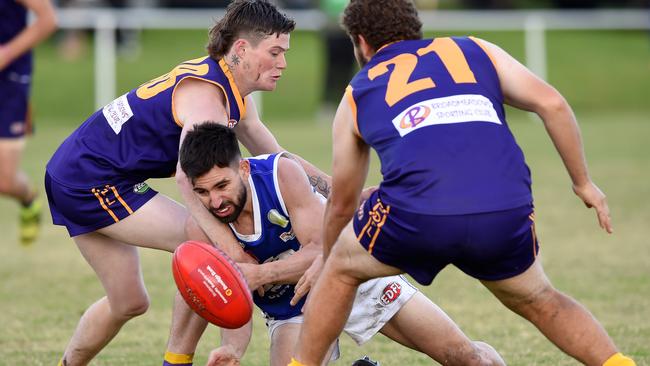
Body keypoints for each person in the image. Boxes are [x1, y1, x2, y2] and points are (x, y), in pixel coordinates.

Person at [289, 1, 637, 366]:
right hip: (503, 206)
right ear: (414, 28)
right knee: (539, 297)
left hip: (417, 214)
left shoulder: (357, 92)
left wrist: (327, 260)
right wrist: (583, 183)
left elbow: (343, 203)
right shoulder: (475, 49)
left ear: (361, 42)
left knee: (342, 270)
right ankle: (617, 363)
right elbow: (552, 104)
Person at [44, 1, 329, 365]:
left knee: (129, 301)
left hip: (76, 171)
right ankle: (176, 361)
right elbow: (186, 176)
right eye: (275, 52)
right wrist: (230, 247)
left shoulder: (229, 90)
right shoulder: (208, 97)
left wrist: (339, 193)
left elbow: (277, 159)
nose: (283, 63)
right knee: (202, 240)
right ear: (241, 49)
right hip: (87, 180)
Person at [178, 122, 504, 366]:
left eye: (222, 185)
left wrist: (261, 275)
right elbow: (230, 299)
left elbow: (322, 249)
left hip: (353, 279)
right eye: (203, 192)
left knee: (466, 359)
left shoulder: (281, 175)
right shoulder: (203, 228)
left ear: (244, 169)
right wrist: (232, 350)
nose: (216, 201)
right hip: (292, 311)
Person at [0, 0, 56, 245]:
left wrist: (6, 53)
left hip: (9, 80)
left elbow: (48, 19)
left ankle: (28, 199)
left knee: (4, 180)